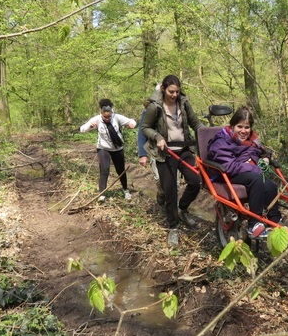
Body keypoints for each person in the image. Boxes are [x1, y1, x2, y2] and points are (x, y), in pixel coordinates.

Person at [141, 75, 204, 240]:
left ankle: (182, 209)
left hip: (184, 149)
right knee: (170, 190)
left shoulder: (184, 104)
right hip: (165, 153)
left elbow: (195, 123)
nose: (174, 95)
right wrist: (158, 137)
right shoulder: (155, 107)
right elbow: (145, 128)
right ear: (163, 89)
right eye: (171, 91)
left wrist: (207, 134)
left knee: (195, 181)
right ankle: (173, 227)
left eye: (177, 91)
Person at [207, 107, 282, 239]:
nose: (243, 131)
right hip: (226, 173)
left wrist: (266, 158)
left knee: (270, 185)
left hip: (244, 171)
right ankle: (253, 224)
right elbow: (228, 165)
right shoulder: (221, 142)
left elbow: (260, 152)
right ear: (232, 126)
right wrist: (254, 168)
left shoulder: (251, 140)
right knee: (257, 179)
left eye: (247, 127)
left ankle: (275, 221)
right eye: (239, 126)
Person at [80, 98, 136, 201]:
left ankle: (125, 190)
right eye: (105, 117)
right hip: (103, 148)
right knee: (104, 169)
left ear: (111, 113)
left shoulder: (117, 117)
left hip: (117, 148)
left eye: (109, 116)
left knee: (120, 170)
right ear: (101, 113)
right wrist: (89, 126)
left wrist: (132, 124)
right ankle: (102, 193)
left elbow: (131, 120)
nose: (107, 118)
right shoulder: (96, 119)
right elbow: (82, 129)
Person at [137, 92, 165, 206]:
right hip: (155, 150)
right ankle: (162, 193)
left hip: (173, 151)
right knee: (160, 178)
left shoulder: (176, 109)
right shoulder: (150, 110)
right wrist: (142, 154)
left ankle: (172, 210)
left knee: (175, 183)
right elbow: (141, 133)